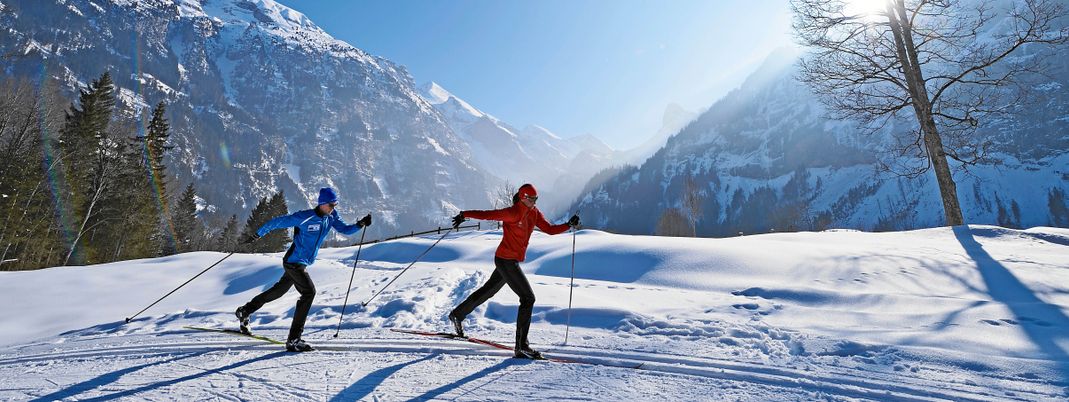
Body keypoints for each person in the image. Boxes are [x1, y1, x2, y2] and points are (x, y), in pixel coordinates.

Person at [448, 183, 580, 359]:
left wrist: (567, 225)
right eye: (531, 199)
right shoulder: (512, 213)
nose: (534, 202)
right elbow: (487, 215)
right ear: (523, 198)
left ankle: (457, 315)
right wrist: (464, 214)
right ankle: (521, 347)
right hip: (505, 261)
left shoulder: (534, 212)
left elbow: (549, 229)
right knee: (528, 298)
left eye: (536, 199)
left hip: (510, 260)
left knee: (488, 291)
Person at [236, 187, 371, 352]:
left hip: (301, 263)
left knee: (277, 292)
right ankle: (294, 340)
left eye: (335, 205)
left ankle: (245, 311)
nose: (333, 208)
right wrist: (257, 235)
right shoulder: (305, 217)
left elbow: (345, 230)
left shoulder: (331, 217)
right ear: (322, 203)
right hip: (293, 262)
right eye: (331, 205)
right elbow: (277, 222)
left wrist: (360, 224)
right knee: (309, 293)